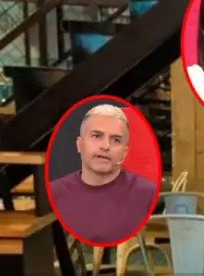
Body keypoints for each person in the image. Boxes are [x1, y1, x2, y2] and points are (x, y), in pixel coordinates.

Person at [49, 104, 157, 245]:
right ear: (79, 144)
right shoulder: (54, 193)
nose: (106, 146)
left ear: (124, 152)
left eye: (115, 140)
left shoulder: (147, 193)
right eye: (96, 136)